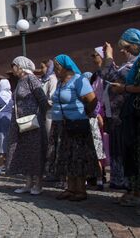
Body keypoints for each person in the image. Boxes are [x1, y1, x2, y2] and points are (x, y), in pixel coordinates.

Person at [109, 29, 140, 215]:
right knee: (139, 154)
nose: (128, 51)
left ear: (136, 44)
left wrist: (124, 88)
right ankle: (138, 191)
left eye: (128, 47)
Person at [52, 55, 99, 201]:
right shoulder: (61, 82)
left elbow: (92, 99)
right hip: (63, 125)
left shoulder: (79, 80)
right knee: (67, 156)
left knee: (78, 157)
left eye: (57, 66)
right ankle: (70, 188)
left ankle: (81, 189)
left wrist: (86, 112)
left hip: (77, 124)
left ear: (66, 67)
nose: (55, 69)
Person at [6, 56, 48, 195]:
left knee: (35, 151)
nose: (13, 69)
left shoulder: (31, 78)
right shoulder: (20, 81)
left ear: (21, 66)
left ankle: (38, 184)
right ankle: (28, 183)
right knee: (25, 152)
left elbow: (42, 99)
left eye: (14, 66)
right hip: (22, 123)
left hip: (33, 122)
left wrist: (38, 116)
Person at [100, 41, 136, 190]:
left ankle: (130, 187)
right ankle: (121, 183)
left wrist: (108, 55)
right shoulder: (125, 65)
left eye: (126, 48)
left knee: (127, 153)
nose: (122, 51)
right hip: (116, 117)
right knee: (118, 151)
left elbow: (108, 75)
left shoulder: (133, 66)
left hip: (126, 116)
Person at [88, 48, 109, 190]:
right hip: (96, 110)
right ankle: (96, 174)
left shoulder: (106, 73)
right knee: (96, 143)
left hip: (105, 110)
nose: (93, 58)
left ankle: (103, 174)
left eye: (95, 55)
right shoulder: (95, 75)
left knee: (103, 143)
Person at [0, 79, 13, 176]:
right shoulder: (11, 95)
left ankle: (0, 166)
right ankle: (8, 164)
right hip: (9, 119)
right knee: (8, 141)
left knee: (0, 141)